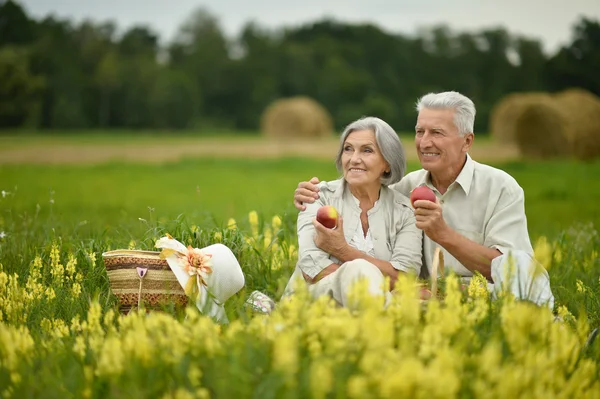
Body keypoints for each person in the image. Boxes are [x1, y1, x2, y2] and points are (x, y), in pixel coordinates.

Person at [294, 91, 555, 309]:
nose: (425, 142)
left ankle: (549, 325)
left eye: (437, 133)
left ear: (467, 141)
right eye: (420, 132)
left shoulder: (500, 188)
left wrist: (443, 234)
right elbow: (362, 181)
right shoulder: (403, 189)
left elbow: (510, 271)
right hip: (422, 297)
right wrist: (311, 193)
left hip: (483, 296)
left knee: (525, 270)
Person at [284, 116, 423, 308]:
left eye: (367, 150)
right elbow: (312, 268)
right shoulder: (318, 196)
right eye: (348, 149)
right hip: (313, 303)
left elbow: (404, 277)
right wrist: (372, 284)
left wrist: (342, 250)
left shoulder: (406, 212)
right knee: (359, 270)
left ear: (387, 163)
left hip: (370, 312)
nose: (354, 159)